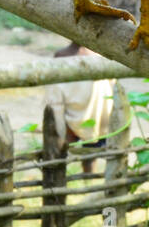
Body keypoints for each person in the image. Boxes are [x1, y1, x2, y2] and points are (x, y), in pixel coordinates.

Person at [44, 41, 114, 172]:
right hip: (99, 114)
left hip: (72, 118)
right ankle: (88, 179)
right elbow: (111, 84)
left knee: (60, 153)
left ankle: (59, 177)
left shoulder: (62, 56)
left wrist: (58, 122)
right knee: (92, 151)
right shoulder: (101, 54)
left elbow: (55, 96)